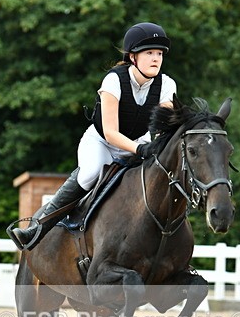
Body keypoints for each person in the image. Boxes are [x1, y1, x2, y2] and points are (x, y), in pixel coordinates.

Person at [10, 22, 177, 250]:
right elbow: (110, 133)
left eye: (159, 53)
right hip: (102, 142)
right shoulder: (114, 80)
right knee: (89, 174)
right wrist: (139, 150)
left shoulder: (166, 84)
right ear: (132, 57)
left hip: (140, 141)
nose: (156, 58)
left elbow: (164, 126)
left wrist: (155, 145)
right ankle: (37, 228)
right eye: (149, 53)